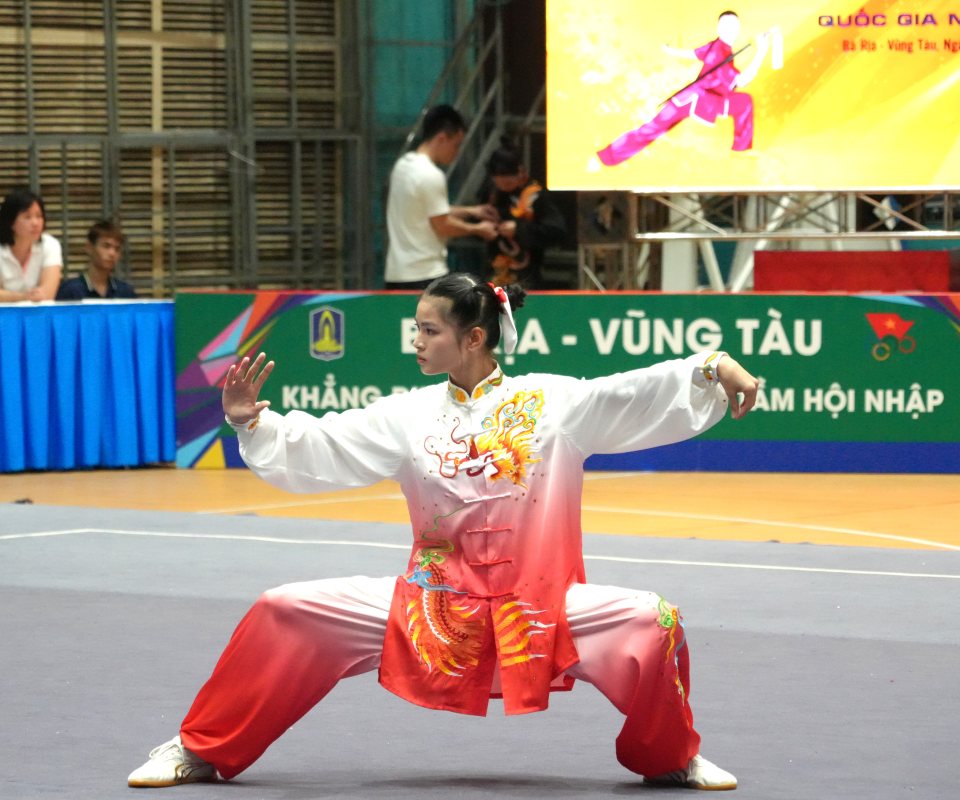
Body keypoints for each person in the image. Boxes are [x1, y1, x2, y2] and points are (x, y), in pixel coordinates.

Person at [127, 275, 759, 791]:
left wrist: (712, 366)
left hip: (539, 610)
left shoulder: (554, 404)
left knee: (655, 621)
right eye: (416, 329)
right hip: (429, 607)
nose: (417, 342)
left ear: (474, 336)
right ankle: (197, 748)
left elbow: (633, 393)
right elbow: (323, 442)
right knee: (284, 610)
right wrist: (251, 426)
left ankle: (672, 758)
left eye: (429, 330)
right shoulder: (408, 415)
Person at [593, 11, 776, 168]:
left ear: (738, 28)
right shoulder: (718, 51)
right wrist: (761, 52)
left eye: (734, 25)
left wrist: (670, 50)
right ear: (719, 28)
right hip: (699, 100)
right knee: (653, 128)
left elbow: (693, 53)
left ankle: (741, 150)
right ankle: (607, 157)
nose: (730, 29)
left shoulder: (718, 46)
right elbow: (742, 80)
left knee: (743, 102)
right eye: (726, 25)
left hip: (704, 99)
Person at [384, 104, 498, 290]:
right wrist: (478, 229)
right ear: (442, 138)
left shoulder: (402, 166)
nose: (457, 152)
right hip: (425, 275)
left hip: (396, 274)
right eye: (456, 145)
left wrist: (471, 211)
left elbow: (426, 208)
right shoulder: (431, 175)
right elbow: (443, 224)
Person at [484, 137, 566, 289]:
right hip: (496, 271)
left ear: (520, 172)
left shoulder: (536, 196)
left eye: (508, 181)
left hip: (528, 274)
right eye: (498, 181)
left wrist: (519, 229)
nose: (503, 186)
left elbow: (557, 231)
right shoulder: (492, 194)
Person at [0, 188, 62, 302]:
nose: (35, 223)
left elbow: (48, 293)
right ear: (11, 221)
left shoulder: (51, 245)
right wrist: (25, 297)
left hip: (37, 314)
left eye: (39, 216)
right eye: (27, 217)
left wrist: (29, 297)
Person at [56, 220, 136, 300]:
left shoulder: (125, 292)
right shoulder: (70, 291)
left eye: (117, 249)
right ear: (89, 247)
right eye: (106, 246)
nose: (112, 253)